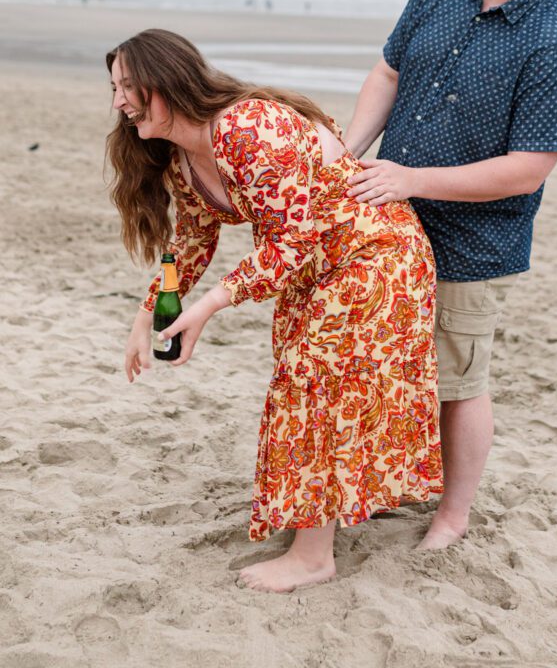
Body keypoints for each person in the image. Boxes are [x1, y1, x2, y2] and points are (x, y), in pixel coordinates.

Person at [106, 29, 442, 592]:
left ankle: (313, 557)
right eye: (114, 87)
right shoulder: (182, 159)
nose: (118, 100)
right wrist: (147, 315)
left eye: (128, 86)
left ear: (167, 82)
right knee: (316, 387)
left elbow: (292, 239)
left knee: (311, 385)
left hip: (374, 254)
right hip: (313, 268)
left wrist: (211, 305)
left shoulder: (248, 126)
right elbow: (192, 240)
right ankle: (332, 517)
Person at [344, 0, 557, 550]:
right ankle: (374, 484)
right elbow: (389, 71)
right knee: (375, 361)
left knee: (457, 381)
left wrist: (411, 179)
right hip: (385, 213)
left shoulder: (554, 44)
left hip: (472, 242)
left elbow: (527, 169)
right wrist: (347, 152)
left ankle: (452, 515)